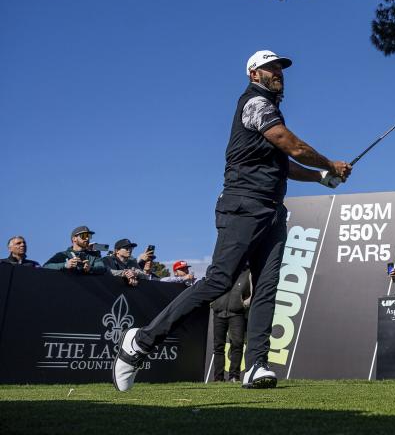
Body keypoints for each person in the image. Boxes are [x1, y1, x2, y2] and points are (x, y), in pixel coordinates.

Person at [112, 50, 352, 392]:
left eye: (280, 68)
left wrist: (319, 177)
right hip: (243, 206)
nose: (278, 72)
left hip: (271, 210)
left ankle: (256, 365)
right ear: (254, 73)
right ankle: (141, 342)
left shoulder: (270, 110)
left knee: (267, 287)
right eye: (271, 67)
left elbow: (284, 164)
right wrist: (329, 163)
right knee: (219, 280)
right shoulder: (254, 103)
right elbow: (290, 144)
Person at [210, 269, 252, 382]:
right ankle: (218, 378)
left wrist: (243, 304)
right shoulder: (220, 269)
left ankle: (234, 376)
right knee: (218, 346)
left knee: (237, 345)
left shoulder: (247, 273)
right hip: (219, 312)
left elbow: (251, 292)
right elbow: (210, 288)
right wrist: (213, 303)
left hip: (237, 313)